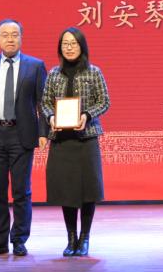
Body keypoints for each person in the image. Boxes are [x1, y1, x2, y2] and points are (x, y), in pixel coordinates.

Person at [0, 19, 47, 256]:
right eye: (5, 35)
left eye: (15, 34)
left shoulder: (35, 66)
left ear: (21, 38)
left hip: (21, 135)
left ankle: (19, 240)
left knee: (21, 191)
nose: (10, 39)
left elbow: (42, 103)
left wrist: (43, 132)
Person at [40, 27, 110, 257]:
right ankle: (71, 238)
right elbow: (45, 102)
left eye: (73, 43)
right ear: (60, 48)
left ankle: (84, 238)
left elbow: (104, 101)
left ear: (82, 46)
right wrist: (51, 117)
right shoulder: (53, 74)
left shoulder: (94, 72)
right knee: (66, 190)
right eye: (65, 43)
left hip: (86, 138)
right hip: (62, 141)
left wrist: (87, 115)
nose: (69, 47)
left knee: (88, 190)